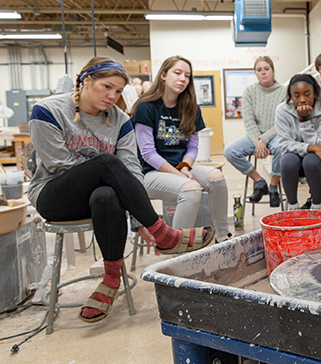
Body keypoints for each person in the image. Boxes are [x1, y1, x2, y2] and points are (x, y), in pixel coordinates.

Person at [29, 57, 212, 324]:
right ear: (86, 81)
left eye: (117, 91)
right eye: (106, 87)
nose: (112, 96)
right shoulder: (48, 110)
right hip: (53, 195)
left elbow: (132, 171)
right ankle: (165, 233)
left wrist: (139, 221)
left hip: (95, 197)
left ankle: (110, 280)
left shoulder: (118, 120)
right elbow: (59, 164)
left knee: (107, 194)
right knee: (107, 164)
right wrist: (108, 173)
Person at [131, 56, 230, 242]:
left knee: (217, 178)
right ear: (163, 75)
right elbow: (148, 154)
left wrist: (185, 166)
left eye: (187, 76)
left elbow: (193, 147)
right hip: (150, 173)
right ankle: (176, 247)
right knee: (191, 189)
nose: (183, 79)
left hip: (180, 167)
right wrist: (178, 174)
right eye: (177, 73)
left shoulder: (191, 107)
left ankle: (222, 237)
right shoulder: (145, 107)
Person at [223, 56, 285, 207]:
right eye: (259, 70)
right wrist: (259, 140)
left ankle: (273, 187)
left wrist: (263, 140)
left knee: (281, 149)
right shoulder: (250, 91)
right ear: (255, 73)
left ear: (273, 71)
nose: (263, 72)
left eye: (266, 69)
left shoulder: (284, 92)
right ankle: (259, 181)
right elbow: (249, 121)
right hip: (254, 137)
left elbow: (282, 122)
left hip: (276, 135)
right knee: (230, 151)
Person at [275, 74, 321, 210]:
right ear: (290, 96)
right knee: (287, 160)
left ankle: (316, 206)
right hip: (294, 159)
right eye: (296, 95)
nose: (302, 100)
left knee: (311, 161)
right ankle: (293, 207)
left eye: (307, 94)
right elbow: (285, 144)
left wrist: (304, 121)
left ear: (315, 94)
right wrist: (312, 148)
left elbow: (320, 144)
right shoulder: (282, 110)